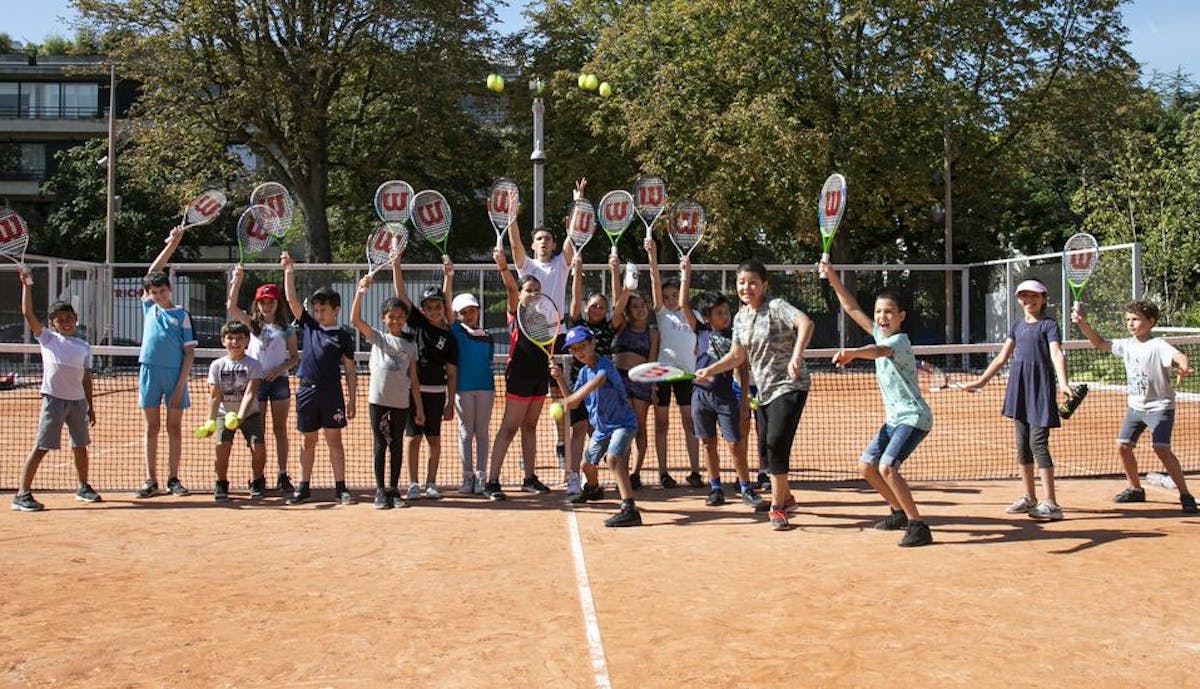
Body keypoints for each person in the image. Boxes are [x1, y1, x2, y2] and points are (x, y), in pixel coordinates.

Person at [695, 259, 814, 531]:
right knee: (765, 448)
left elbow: (806, 323)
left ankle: (778, 506)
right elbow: (737, 356)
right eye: (741, 282)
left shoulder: (776, 306)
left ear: (764, 285)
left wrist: (797, 355)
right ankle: (787, 496)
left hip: (790, 384)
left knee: (774, 443)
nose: (746, 287)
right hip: (764, 390)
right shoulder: (740, 317)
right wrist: (710, 370)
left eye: (752, 282)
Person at [821, 262, 933, 547]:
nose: (883, 316)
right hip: (894, 419)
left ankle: (918, 525)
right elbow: (851, 308)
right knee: (866, 466)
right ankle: (897, 512)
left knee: (887, 467)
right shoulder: (879, 332)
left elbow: (878, 351)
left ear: (901, 317)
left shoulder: (898, 341)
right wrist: (832, 276)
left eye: (889, 312)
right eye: (879, 312)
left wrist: (854, 354)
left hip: (913, 417)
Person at [964, 279, 1072, 521]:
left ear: (1044, 298)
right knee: (1022, 446)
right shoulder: (1017, 326)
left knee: (1038, 444)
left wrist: (1063, 382)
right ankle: (1029, 497)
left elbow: (1056, 353)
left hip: (1040, 390)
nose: (1028, 300)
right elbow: (1002, 357)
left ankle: (1052, 503)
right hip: (1019, 390)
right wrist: (982, 381)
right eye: (1023, 296)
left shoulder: (1049, 325)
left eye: (1034, 296)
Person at [1073, 301, 1195, 513]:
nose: (1131, 323)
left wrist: (1183, 365)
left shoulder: (1158, 345)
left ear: (1151, 322)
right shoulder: (1126, 344)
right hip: (1135, 407)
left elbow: (1178, 356)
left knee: (1161, 448)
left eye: (1136, 319)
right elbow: (1100, 343)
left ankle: (1186, 494)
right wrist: (1083, 324)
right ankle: (1136, 489)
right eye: (1128, 319)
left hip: (1160, 407)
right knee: (1123, 446)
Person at [12, 270, 99, 511]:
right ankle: (22, 494)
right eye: (60, 320)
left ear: (76, 318)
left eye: (69, 318)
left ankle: (83, 487)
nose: (66, 323)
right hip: (53, 401)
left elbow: (86, 377)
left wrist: (90, 405)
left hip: (78, 403)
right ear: (52, 323)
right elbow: (27, 313)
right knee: (41, 447)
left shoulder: (83, 346)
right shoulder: (47, 339)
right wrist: (27, 285)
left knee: (80, 446)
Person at [508, 187, 580, 465]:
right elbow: (514, 246)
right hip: (530, 339)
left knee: (558, 396)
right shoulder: (526, 267)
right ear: (533, 243)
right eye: (539, 239)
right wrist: (512, 216)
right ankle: (528, 453)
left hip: (557, 338)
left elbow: (573, 238)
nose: (544, 242)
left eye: (548, 239)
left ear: (553, 244)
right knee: (530, 399)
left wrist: (577, 205)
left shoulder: (562, 265)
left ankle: (562, 446)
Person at [280, 251, 357, 505]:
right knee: (307, 440)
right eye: (315, 309)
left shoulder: (344, 335)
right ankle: (303, 487)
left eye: (322, 309)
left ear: (335, 309)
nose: (318, 313)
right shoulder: (310, 326)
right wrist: (288, 271)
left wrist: (352, 399)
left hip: (332, 393)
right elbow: (291, 300)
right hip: (307, 391)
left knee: (334, 440)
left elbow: (349, 369)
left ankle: (341, 488)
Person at [551, 326, 641, 527]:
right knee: (586, 466)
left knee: (613, 458)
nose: (579, 352)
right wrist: (559, 379)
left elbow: (598, 382)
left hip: (623, 424)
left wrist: (571, 400)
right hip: (602, 429)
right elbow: (572, 400)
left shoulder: (604, 364)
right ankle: (593, 490)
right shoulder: (583, 372)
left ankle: (629, 509)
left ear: (593, 344)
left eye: (582, 346)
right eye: (574, 349)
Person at [482, 246, 553, 500]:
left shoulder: (543, 318)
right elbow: (511, 289)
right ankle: (492, 482)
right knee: (509, 428)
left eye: (536, 290)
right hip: (519, 375)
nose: (533, 294)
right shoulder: (515, 313)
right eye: (528, 290)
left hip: (539, 375)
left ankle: (529, 478)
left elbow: (545, 348)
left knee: (531, 427)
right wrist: (503, 266)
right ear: (520, 294)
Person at [350, 272, 423, 509]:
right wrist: (361, 292)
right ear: (384, 319)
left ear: (405, 319)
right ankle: (380, 491)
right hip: (378, 400)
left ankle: (394, 490)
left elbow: (413, 377)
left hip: (401, 402)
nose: (396, 321)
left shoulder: (410, 344)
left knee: (397, 446)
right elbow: (355, 320)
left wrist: (419, 407)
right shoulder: (378, 338)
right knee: (380, 444)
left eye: (400, 317)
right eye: (391, 317)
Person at [136, 225, 196, 498]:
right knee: (152, 427)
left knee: (174, 427)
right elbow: (152, 270)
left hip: (175, 376)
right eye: (154, 292)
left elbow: (189, 353)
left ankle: (173, 478)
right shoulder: (149, 307)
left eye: (162, 291)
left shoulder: (181, 314)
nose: (159, 295)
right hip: (148, 371)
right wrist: (172, 243)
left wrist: (180, 384)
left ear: (169, 289)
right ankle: (151, 480)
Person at [228, 265, 299, 494]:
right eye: (263, 302)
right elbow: (231, 307)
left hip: (279, 382)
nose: (267, 306)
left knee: (280, 429)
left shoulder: (286, 329)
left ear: (277, 304)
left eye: (271, 302)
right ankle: (257, 476)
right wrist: (237, 280)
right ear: (258, 304)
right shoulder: (252, 325)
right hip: (256, 382)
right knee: (259, 430)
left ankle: (282, 473)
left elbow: (294, 358)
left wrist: (279, 370)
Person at [691, 286, 764, 509]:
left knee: (735, 445)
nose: (725, 316)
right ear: (707, 317)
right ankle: (715, 488)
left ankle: (745, 487)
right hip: (700, 396)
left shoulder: (736, 336)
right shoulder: (700, 331)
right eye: (719, 313)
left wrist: (743, 402)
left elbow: (742, 371)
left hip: (725, 397)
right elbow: (684, 304)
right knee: (707, 444)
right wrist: (686, 273)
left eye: (726, 311)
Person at [393, 256, 457, 501]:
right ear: (422, 309)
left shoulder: (450, 337)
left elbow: (451, 373)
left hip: (437, 392)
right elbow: (401, 293)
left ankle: (431, 482)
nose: (433, 311)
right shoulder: (418, 323)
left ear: (443, 308)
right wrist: (396, 264)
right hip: (413, 390)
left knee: (434, 438)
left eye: (437, 307)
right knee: (413, 437)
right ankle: (412, 483)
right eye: (428, 307)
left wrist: (451, 402)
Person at [563, 252, 621, 497]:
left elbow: (619, 300)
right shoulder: (577, 325)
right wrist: (577, 271)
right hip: (580, 385)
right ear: (587, 308)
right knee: (578, 430)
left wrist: (615, 272)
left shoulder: (609, 327)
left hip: (604, 391)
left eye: (602, 306)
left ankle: (599, 477)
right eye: (593, 305)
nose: (597, 308)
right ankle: (574, 477)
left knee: (599, 434)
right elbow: (575, 297)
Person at [645, 237, 702, 486]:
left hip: (688, 376)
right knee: (661, 423)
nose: (670, 299)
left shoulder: (693, 316)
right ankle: (663, 472)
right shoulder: (661, 313)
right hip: (663, 374)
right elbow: (654, 280)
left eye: (674, 295)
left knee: (690, 421)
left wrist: (685, 273)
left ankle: (695, 471)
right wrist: (652, 255)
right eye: (666, 296)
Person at [611, 284, 669, 488]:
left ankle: (635, 473)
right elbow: (617, 309)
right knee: (624, 427)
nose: (640, 309)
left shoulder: (653, 333)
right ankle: (623, 472)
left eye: (643, 305)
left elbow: (652, 362)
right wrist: (624, 286)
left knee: (639, 428)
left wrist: (652, 387)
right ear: (628, 310)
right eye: (635, 306)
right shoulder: (622, 326)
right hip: (620, 381)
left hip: (641, 383)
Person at [203, 321, 266, 502]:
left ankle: (256, 481)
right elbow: (215, 396)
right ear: (223, 340)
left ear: (247, 341)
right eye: (230, 338)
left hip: (249, 414)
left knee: (258, 448)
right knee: (222, 447)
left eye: (239, 338)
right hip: (225, 414)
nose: (235, 342)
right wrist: (211, 421)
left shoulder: (253, 365)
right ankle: (221, 483)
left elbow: (250, 393)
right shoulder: (216, 366)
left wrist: (240, 416)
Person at [448, 271, 496, 496]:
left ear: (478, 311)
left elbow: (487, 362)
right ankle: (467, 477)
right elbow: (447, 309)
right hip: (463, 390)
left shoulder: (487, 335)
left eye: (472, 310)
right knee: (466, 433)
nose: (469, 315)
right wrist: (448, 275)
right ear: (457, 315)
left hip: (486, 389)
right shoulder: (456, 332)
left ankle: (480, 476)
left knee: (482, 433)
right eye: (464, 312)